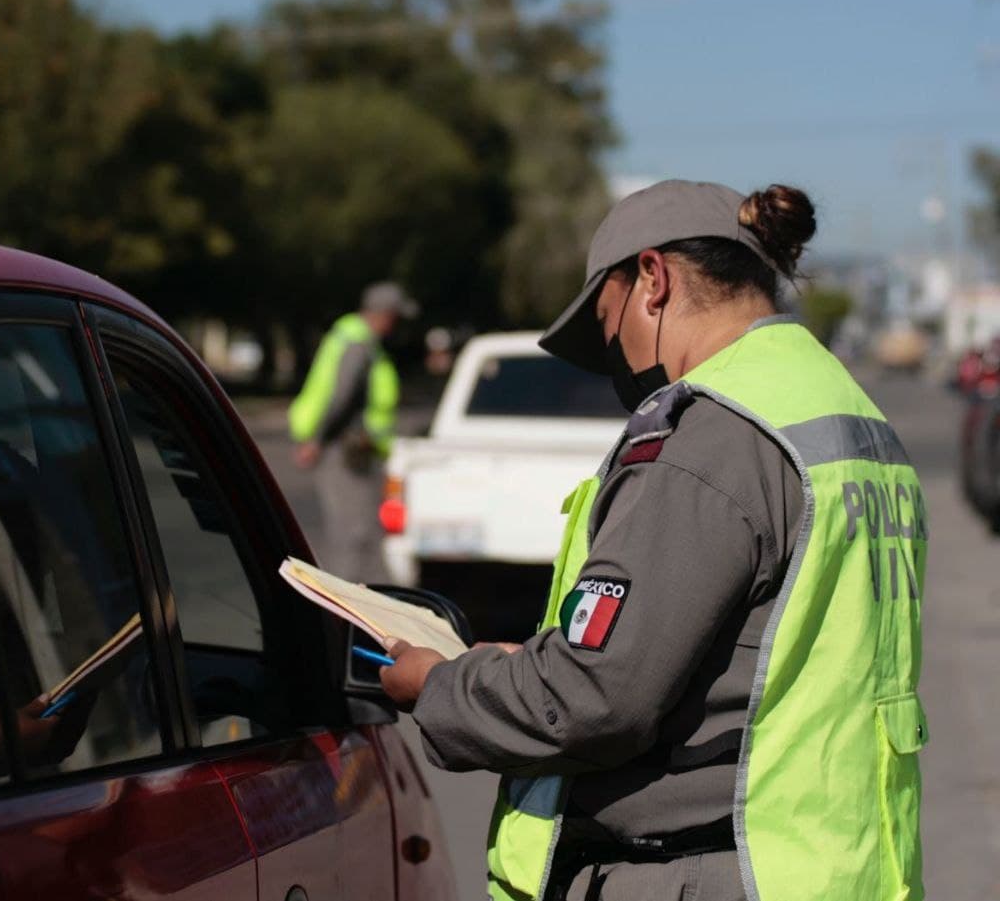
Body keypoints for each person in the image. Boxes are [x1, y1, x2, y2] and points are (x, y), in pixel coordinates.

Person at [379, 181, 928, 901]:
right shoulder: (843, 411)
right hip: (843, 868)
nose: (615, 354)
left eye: (610, 325)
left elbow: (595, 699)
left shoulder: (716, 437)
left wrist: (438, 686)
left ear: (653, 280)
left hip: (721, 870)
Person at [289, 281, 419, 581]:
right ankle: (340, 614)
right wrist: (317, 440)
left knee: (358, 532)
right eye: (396, 318)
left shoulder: (358, 338)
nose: (396, 326)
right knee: (352, 534)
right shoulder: (358, 344)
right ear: (384, 314)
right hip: (343, 450)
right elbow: (342, 396)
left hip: (350, 448)